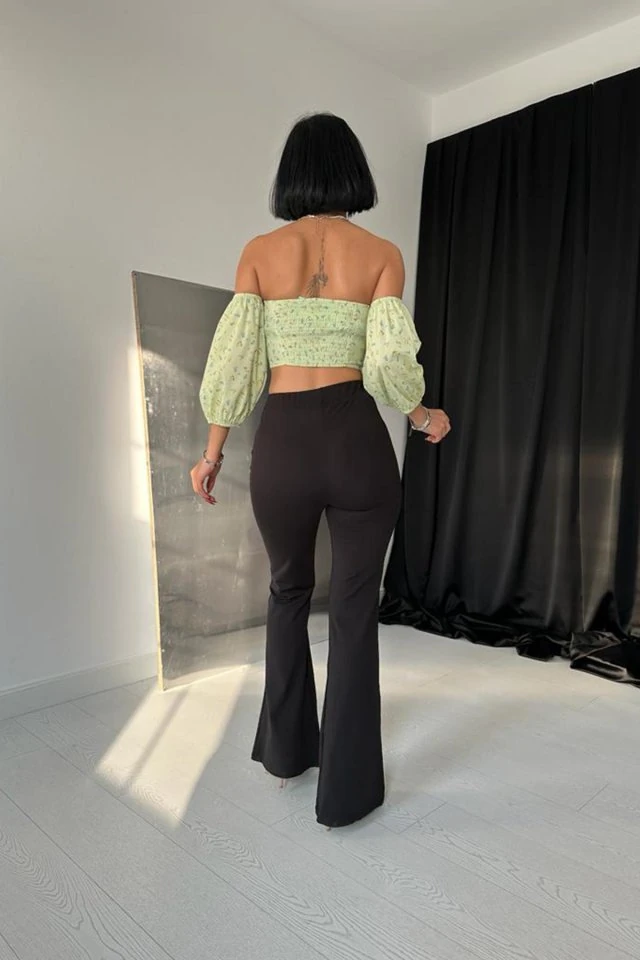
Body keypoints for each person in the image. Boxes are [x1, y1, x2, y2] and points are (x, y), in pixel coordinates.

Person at [191, 112, 450, 828]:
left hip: (284, 445)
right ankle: (348, 793)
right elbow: (390, 363)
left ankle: (286, 755)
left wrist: (211, 452)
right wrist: (424, 415)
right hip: (356, 442)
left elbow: (235, 361)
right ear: (352, 171)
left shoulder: (258, 252)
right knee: (356, 611)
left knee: (287, 593)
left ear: (292, 174)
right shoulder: (383, 253)